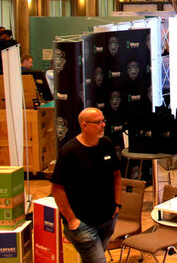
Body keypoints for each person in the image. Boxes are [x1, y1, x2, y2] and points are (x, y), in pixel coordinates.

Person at [51, 108, 120, 263]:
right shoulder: (69, 152)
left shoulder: (107, 144)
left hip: (108, 218)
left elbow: (116, 175)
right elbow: (57, 189)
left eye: (104, 121)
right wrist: (71, 220)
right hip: (83, 225)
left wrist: (117, 204)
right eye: (98, 122)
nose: (103, 125)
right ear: (85, 125)